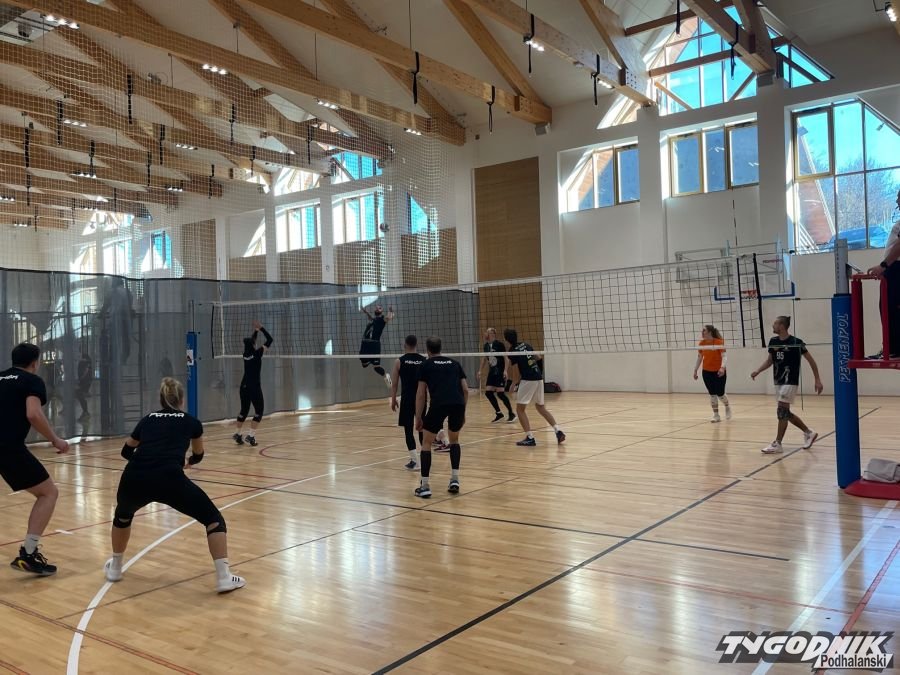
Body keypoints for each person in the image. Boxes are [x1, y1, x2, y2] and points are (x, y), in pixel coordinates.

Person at [105, 377, 245, 593]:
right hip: (169, 477)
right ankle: (224, 577)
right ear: (181, 400)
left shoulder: (147, 419)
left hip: (134, 477)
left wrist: (146, 462)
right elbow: (198, 455)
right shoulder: (191, 422)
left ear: (161, 399)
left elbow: (126, 451)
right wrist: (186, 462)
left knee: (122, 516)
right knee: (213, 519)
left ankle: (115, 568)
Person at [1, 343, 69, 576]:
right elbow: (33, 413)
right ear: (34, 363)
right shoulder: (32, 381)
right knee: (48, 493)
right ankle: (28, 554)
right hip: (8, 447)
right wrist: (55, 440)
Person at [751, 316, 823, 454]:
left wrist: (817, 380)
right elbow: (770, 361)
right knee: (785, 413)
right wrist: (758, 371)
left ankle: (778, 443)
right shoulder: (773, 341)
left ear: (782, 326)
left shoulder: (796, 342)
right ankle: (809, 432)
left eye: (775, 323)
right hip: (778, 381)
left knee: (781, 411)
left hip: (790, 381)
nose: (773, 325)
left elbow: (811, 361)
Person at [414, 336, 468, 498]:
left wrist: (418, 417)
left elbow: (421, 394)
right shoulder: (455, 364)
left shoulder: (425, 365)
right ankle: (455, 480)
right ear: (440, 348)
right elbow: (465, 390)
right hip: (457, 403)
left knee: (426, 443)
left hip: (439, 404)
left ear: (427, 350)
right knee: (454, 441)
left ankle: (425, 486)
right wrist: (463, 412)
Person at [504, 329, 565, 447]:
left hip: (528, 380)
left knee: (520, 410)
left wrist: (513, 384)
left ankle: (530, 437)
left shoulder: (512, 351)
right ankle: (558, 431)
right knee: (540, 407)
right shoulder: (526, 344)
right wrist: (539, 372)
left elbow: (516, 373)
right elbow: (538, 357)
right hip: (538, 378)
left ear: (506, 340)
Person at [866, 188, 900, 359]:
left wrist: (884, 266)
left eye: (899, 198)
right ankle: (890, 347)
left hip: (896, 268)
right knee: (887, 308)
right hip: (894, 269)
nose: (897, 202)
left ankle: (895, 349)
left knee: (892, 309)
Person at [233, 320, 273, 447]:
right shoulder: (257, 354)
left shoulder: (245, 354)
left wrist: (256, 331)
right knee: (259, 411)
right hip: (254, 387)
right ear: (253, 345)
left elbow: (252, 341)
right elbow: (270, 340)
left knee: (244, 410)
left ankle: (237, 434)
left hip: (244, 386)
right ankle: (250, 436)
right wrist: (261, 328)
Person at [390, 335, 426, 471]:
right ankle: (425, 459)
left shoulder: (399, 361)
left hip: (407, 399)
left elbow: (394, 384)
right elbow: (429, 382)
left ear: (405, 344)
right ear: (416, 344)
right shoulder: (424, 360)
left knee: (408, 430)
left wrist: (393, 399)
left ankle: (415, 461)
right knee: (422, 429)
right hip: (421, 398)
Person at [692, 325, 732, 422]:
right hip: (706, 372)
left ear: (710, 332)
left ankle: (727, 406)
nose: (702, 332)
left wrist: (722, 368)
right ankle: (716, 415)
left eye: (704, 330)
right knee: (712, 394)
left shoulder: (719, 342)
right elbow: (700, 357)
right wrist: (695, 370)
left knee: (720, 394)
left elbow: (724, 356)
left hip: (719, 372)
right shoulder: (702, 343)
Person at [478, 328, 516, 424]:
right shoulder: (486, 346)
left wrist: (505, 371)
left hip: (499, 372)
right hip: (492, 372)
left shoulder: (499, 344)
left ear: (492, 334)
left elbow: (506, 358)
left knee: (500, 394)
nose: (485, 334)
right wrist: (480, 370)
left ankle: (511, 413)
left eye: (487, 332)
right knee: (488, 393)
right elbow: (484, 358)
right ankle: (499, 413)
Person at [359, 304, 394, 387]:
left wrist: (390, 311)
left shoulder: (382, 319)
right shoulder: (373, 320)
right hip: (365, 343)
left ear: (382, 311)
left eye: (380, 308)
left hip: (374, 344)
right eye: (377, 308)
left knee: (376, 367)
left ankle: (386, 376)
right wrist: (366, 312)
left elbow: (389, 317)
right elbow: (371, 317)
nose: (377, 308)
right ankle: (369, 360)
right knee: (364, 365)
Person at [76, 349, 93, 421]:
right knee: (80, 395)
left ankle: (86, 413)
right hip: (86, 382)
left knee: (80, 395)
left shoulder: (83, 362)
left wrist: (81, 380)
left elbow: (85, 371)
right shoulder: (87, 361)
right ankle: (85, 412)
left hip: (84, 382)